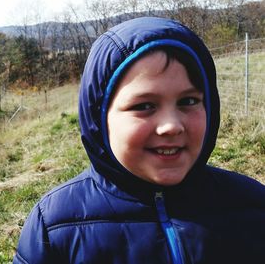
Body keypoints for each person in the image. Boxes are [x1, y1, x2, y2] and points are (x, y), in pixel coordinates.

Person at [13, 17, 265, 264]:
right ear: (99, 117)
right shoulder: (55, 226)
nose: (172, 126)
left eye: (188, 101)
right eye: (144, 105)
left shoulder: (253, 206)